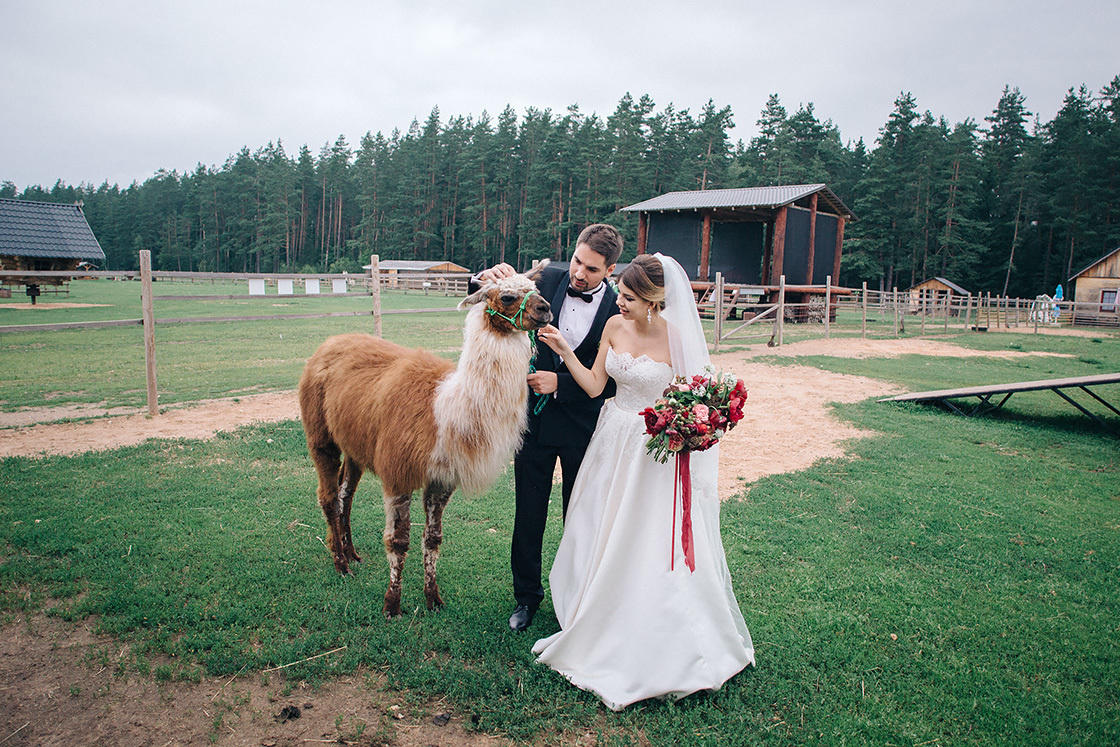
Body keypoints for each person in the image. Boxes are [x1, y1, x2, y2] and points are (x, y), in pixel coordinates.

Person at [530, 253, 755, 711]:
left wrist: (695, 423)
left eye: (629, 298)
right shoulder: (614, 327)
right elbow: (595, 387)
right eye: (620, 295)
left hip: (653, 450)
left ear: (654, 300)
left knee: (648, 536)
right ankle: (592, 610)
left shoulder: (678, 339)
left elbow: (698, 399)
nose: (619, 302)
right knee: (597, 524)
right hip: (611, 440)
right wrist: (565, 352)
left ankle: (655, 623)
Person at [471, 224, 623, 632]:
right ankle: (526, 598)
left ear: (609, 269)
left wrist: (563, 385)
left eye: (591, 269)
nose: (578, 274)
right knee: (529, 513)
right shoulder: (549, 278)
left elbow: (616, 379)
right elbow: (496, 293)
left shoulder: (617, 310)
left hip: (582, 427)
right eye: (576, 261)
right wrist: (486, 275)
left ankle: (574, 598)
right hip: (532, 423)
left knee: (579, 516)